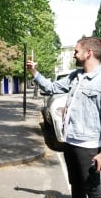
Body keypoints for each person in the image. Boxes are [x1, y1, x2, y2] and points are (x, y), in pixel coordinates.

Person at [27, 37, 101, 198]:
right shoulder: (75, 76)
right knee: (76, 186)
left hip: (88, 146)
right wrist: (34, 72)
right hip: (70, 142)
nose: (74, 55)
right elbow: (51, 88)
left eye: (76, 51)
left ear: (89, 53)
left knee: (93, 190)